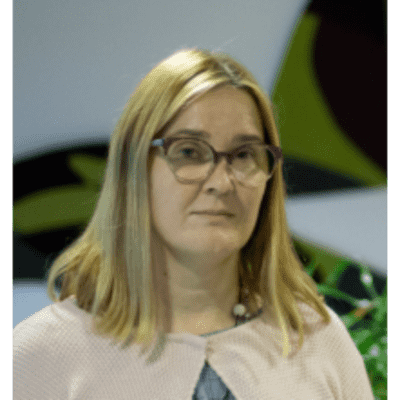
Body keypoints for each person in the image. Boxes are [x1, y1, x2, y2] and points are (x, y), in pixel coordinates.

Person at [13, 47, 374, 399]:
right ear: (134, 170)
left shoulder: (319, 341)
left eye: (244, 155)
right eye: (188, 151)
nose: (222, 181)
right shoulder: (40, 356)